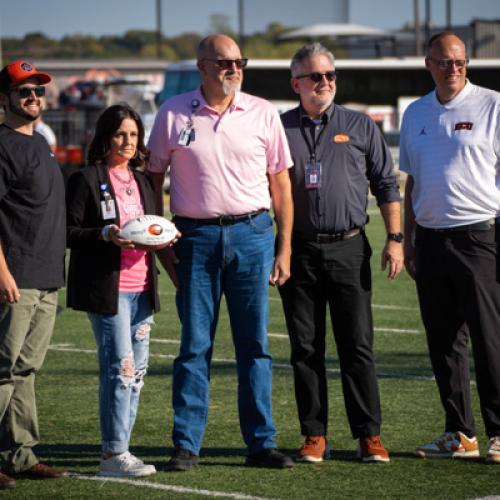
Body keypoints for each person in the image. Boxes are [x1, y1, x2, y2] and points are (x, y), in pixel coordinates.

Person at [147, 34, 294, 470]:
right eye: (225, 63)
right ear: (203, 67)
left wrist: (284, 248)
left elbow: (281, 187)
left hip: (253, 234)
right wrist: (161, 242)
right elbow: (153, 180)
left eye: (239, 62)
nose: (234, 69)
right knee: (193, 346)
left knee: (255, 345)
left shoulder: (264, 112)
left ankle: (261, 444)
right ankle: (187, 445)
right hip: (194, 239)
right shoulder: (172, 113)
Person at [279, 43, 404, 464]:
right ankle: (314, 434)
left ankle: (369, 435)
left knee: (358, 345)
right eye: (316, 76)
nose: (326, 82)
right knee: (305, 347)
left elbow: (387, 185)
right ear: (296, 82)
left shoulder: (360, 125)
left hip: (351, 247)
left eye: (331, 75)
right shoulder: (278, 129)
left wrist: (395, 238)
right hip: (298, 251)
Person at [400, 31, 500, 464]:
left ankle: (499, 433)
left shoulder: (493, 104)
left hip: (480, 238)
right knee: (444, 344)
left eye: (459, 61)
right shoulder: (415, 112)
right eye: (444, 62)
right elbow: (410, 183)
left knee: (489, 341)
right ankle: (460, 432)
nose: (453, 68)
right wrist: (406, 240)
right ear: (428, 64)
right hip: (431, 241)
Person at [66, 104, 173, 477]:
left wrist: (163, 236)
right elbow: (67, 232)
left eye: (133, 135)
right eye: (120, 135)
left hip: (143, 287)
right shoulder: (86, 179)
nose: (128, 142)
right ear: (106, 137)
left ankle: (121, 449)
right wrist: (103, 234)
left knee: (138, 373)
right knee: (120, 370)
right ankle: (113, 455)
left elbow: (152, 229)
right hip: (108, 291)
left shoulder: (143, 181)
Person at [0, 60, 67, 489]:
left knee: (24, 370)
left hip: (45, 277)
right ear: (3, 99)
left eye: (38, 91)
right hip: (15, 277)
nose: (33, 98)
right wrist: (2, 273)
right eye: (24, 91)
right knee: (1, 368)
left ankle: (20, 455)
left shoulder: (40, 143)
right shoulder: (3, 145)